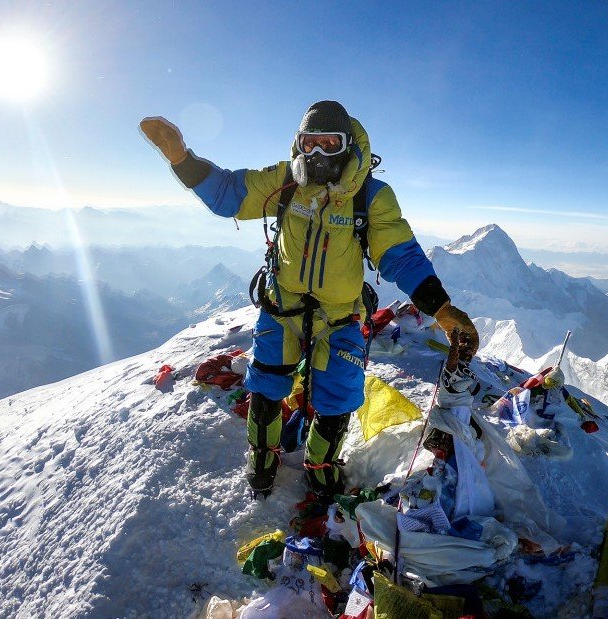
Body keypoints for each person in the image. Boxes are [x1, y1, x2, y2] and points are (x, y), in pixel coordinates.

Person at [141, 101, 479, 500]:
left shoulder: (370, 196)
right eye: (309, 143)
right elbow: (230, 194)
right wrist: (182, 159)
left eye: (328, 143)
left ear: (346, 146)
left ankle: (320, 468)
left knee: (337, 397)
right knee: (266, 386)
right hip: (281, 307)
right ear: (298, 145)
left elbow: (399, 255)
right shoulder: (285, 181)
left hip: (340, 318)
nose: (316, 154)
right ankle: (262, 459)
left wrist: (439, 308)